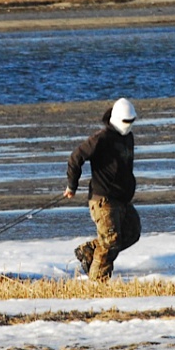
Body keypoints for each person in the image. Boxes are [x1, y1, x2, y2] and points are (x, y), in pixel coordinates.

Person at [64, 97, 141, 280]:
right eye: (126, 121)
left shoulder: (128, 138)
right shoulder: (102, 138)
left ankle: (90, 251)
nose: (128, 125)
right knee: (110, 241)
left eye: (132, 121)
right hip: (103, 199)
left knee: (132, 232)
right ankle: (98, 281)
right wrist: (72, 186)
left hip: (122, 199)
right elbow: (76, 157)